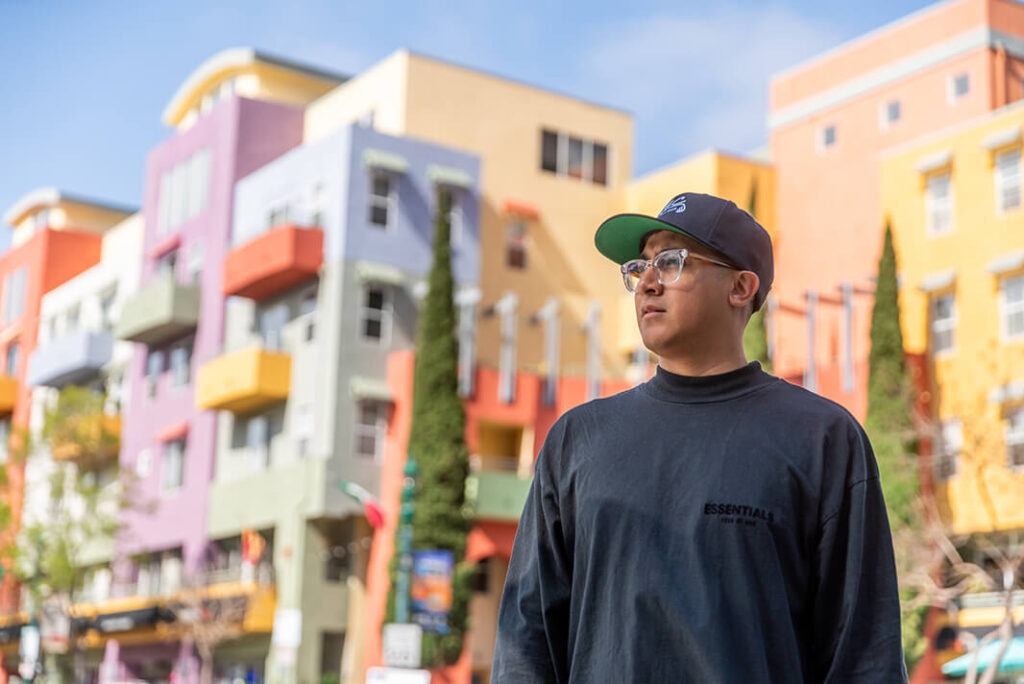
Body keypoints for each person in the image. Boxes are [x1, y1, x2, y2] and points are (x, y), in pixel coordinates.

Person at [491, 192, 907, 683]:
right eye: (639, 266)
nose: (646, 282)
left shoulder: (823, 439)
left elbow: (866, 655)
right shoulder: (577, 441)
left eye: (670, 262)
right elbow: (526, 640)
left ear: (741, 287)